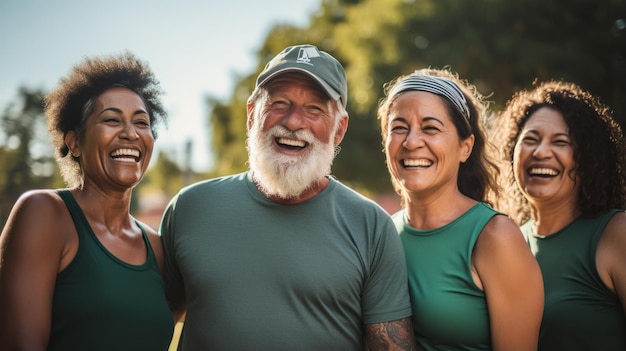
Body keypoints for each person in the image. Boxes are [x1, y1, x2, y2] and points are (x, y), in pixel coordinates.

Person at [159, 44, 415, 350]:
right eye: (280, 103)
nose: (294, 121)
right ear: (252, 115)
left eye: (314, 109)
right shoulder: (190, 208)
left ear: (339, 130)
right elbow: (153, 324)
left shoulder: (372, 226)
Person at [0, 52, 174, 350]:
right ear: (74, 142)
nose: (130, 133)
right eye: (111, 120)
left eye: (141, 123)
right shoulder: (44, 214)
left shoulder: (157, 247)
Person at [377, 68, 544, 350]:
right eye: (399, 127)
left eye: (430, 128)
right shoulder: (381, 233)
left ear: (465, 147)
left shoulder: (495, 237)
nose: (412, 142)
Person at [492, 80, 626, 350]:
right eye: (530, 139)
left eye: (561, 142)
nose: (541, 152)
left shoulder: (616, 232)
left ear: (587, 158)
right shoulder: (509, 241)